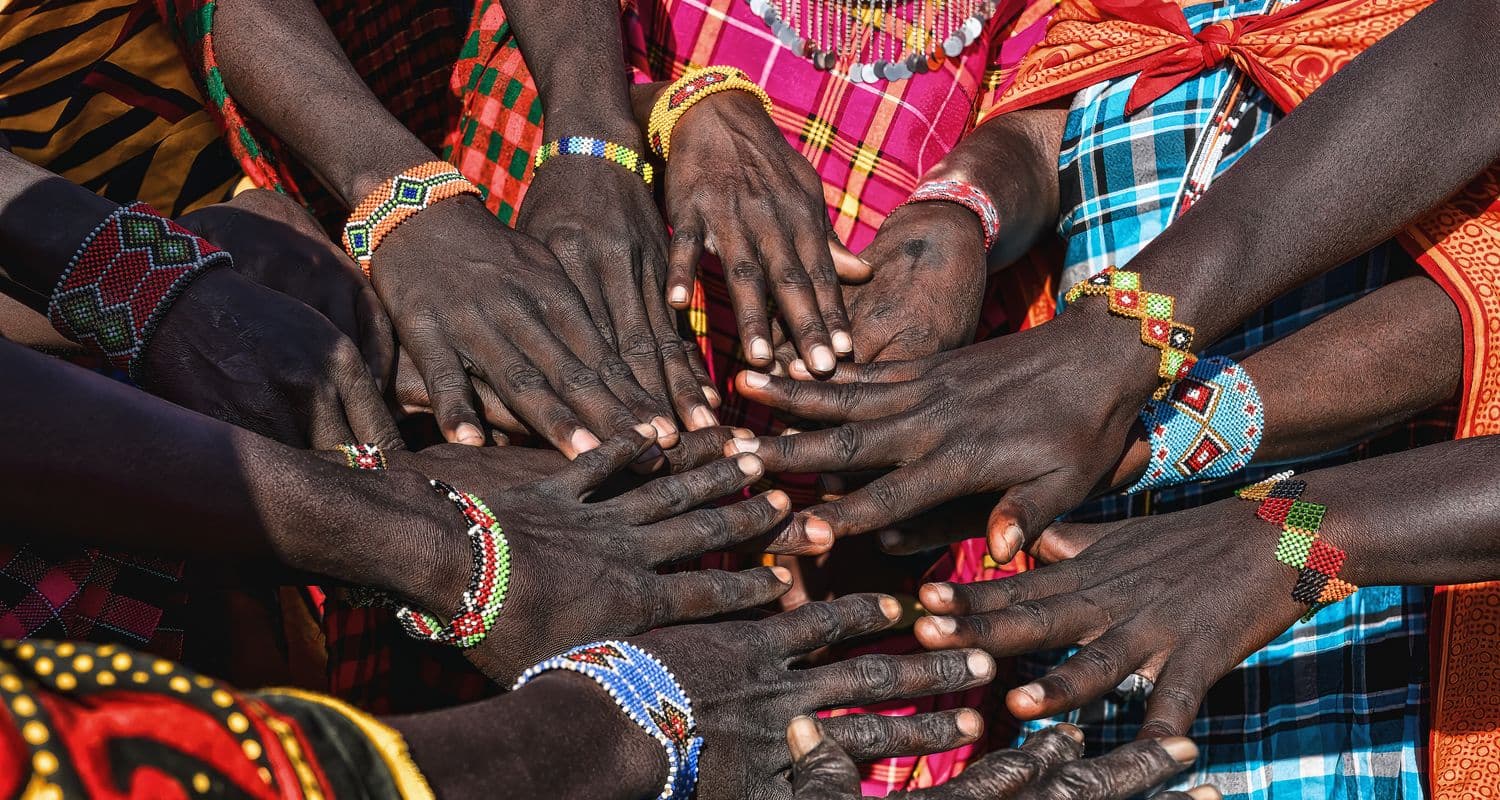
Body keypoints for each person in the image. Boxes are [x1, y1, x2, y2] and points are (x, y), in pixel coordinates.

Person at [732, 0, 1500, 792]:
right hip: (1086, 629)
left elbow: (1477, 297)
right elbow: (1054, 135)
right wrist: (959, 211)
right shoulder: (1130, 12)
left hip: (1329, 618)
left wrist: (1128, 393)